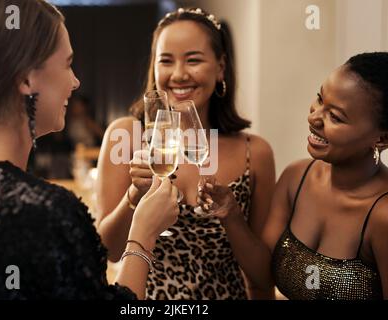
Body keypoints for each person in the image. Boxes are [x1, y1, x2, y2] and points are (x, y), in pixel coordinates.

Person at [0, 0, 179, 299]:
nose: (76, 82)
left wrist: (133, 198)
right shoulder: (45, 213)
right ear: (26, 77)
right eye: (67, 64)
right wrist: (143, 236)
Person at [96, 7, 275, 299]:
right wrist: (135, 194)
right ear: (154, 68)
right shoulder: (126, 135)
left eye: (193, 60)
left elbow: (263, 276)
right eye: (166, 61)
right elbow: (109, 251)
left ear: (220, 67)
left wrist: (231, 216)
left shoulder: (254, 152)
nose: (178, 75)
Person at [199, 52, 388, 300]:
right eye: (320, 99)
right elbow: (264, 276)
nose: (313, 117)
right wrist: (231, 215)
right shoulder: (296, 177)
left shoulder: (383, 215)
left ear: (382, 138)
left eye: (335, 117)